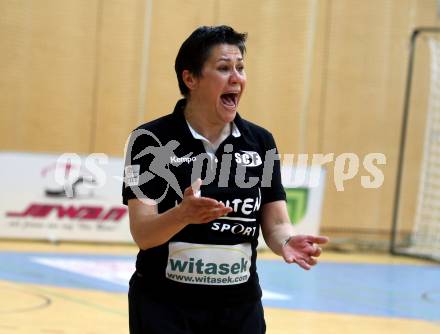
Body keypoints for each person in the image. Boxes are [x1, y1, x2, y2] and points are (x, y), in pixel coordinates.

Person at [122, 25, 329, 334]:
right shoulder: (149, 139)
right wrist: (182, 214)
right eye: (223, 68)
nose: (237, 77)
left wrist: (286, 240)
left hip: (239, 308)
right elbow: (143, 233)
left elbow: (275, 223)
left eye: (240, 68)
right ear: (190, 78)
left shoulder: (260, 142)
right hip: (164, 307)